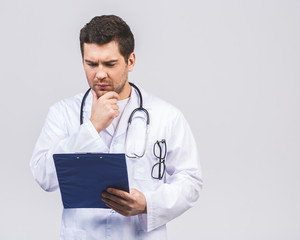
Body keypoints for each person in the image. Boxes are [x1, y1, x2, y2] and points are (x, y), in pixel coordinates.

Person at [30, 15, 202, 240]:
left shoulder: (166, 116)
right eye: (91, 63)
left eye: (110, 64)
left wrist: (148, 203)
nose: (99, 74)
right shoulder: (63, 113)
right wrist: (92, 128)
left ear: (130, 61)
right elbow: (44, 176)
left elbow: (191, 181)